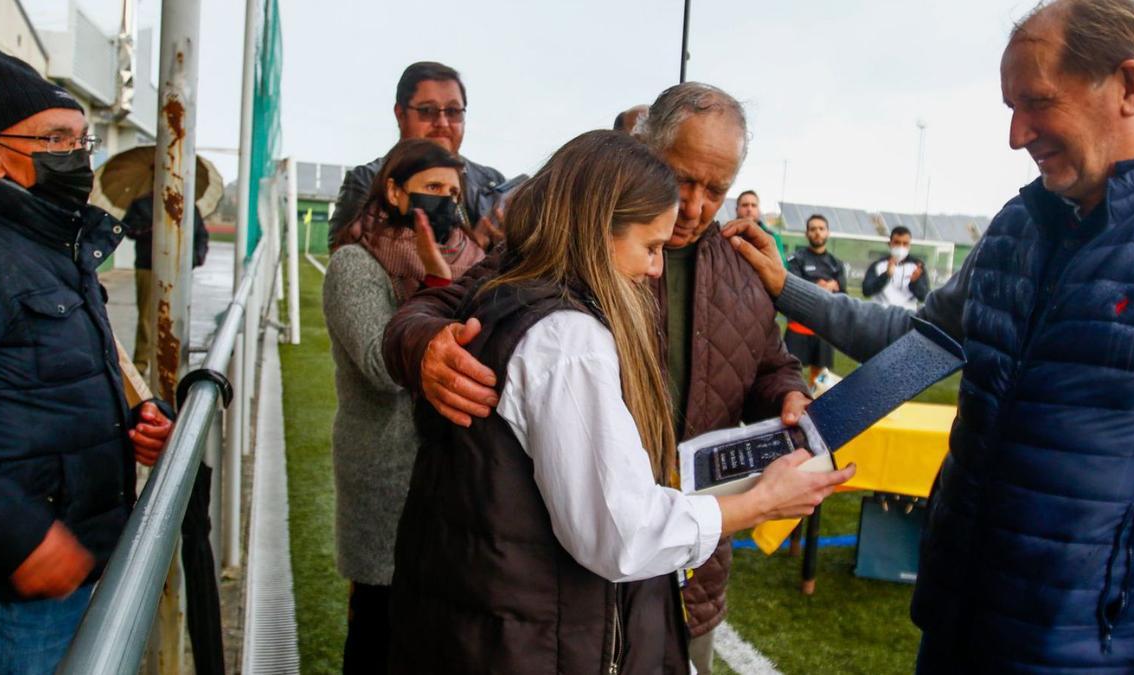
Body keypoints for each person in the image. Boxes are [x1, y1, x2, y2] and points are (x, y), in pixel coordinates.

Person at [724, 0, 1134, 669]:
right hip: (958, 616)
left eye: (1037, 102)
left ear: (1129, 87)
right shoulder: (1020, 225)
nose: (1017, 135)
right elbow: (914, 341)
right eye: (1010, 107)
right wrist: (790, 289)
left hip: (1090, 644)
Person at [388, 129, 855, 674]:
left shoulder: (539, 294)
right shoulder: (568, 337)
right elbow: (620, 534)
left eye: (717, 188)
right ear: (598, 225)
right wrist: (761, 502)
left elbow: (769, 360)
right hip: (544, 626)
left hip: (548, 612)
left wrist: (787, 392)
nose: (658, 265)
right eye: (649, 246)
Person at [0, 42, 173, 673]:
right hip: (4, 593)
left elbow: (45, 380)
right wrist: (20, 536)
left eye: (82, 142)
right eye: (54, 141)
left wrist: (132, 421)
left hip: (56, 576)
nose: (76, 157)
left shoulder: (47, 241)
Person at [322, 138, 484, 673]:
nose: (446, 202)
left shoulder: (470, 259)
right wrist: (437, 282)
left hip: (451, 472)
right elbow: (381, 365)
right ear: (394, 190)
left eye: (453, 193)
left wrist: (443, 270)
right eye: (432, 189)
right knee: (379, 625)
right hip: (385, 474)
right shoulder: (356, 264)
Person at [328, 61, 506, 252]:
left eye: (453, 112)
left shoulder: (491, 183)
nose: (442, 123)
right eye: (427, 111)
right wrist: (468, 253)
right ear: (400, 114)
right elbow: (348, 266)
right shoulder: (367, 180)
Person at [120, 194, 209, 377]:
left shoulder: (188, 207)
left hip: (179, 269)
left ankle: (170, 362)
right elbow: (128, 229)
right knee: (146, 317)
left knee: (176, 315)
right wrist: (152, 228)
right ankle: (141, 363)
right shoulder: (141, 204)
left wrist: (196, 258)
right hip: (148, 266)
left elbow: (201, 235)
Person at [783, 214, 846, 386]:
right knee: (789, 375)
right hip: (798, 328)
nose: (817, 232)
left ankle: (814, 411)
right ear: (807, 233)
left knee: (820, 379)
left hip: (824, 330)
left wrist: (819, 287)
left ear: (827, 233)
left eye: (821, 229)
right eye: (813, 229)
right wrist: (820, 287)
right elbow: (793, 287)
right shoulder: (796, 259)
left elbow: (843, 296)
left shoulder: (836, 264)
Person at [861, 225, 929, 309]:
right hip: (882, 315)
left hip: (906, 316)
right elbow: (866, 291)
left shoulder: (917, 267)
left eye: (905, 243)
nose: (901, 247)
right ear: (890, 244)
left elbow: (924, 297)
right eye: (897, 242)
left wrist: (914, 282)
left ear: (909, 245)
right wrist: (886, 275)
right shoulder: (878, 265)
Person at [735, 189, 785, 262]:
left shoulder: (773, 237)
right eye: (745, 205)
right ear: (737, 210)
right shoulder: (725, 235)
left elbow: (781, 267)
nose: (749, 209)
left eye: (753, 205)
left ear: (759, 210)